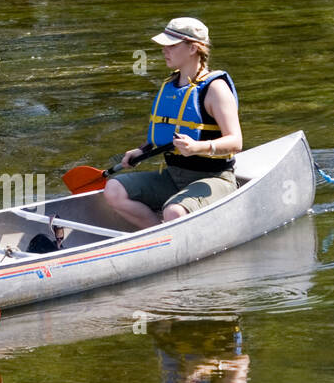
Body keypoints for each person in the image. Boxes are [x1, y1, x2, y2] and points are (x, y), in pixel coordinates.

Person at [104, 17, 242, 228]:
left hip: (215, 179)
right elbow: (167, 134)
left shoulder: (215, 89)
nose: (164, 50)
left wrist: (199, 147)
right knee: (113, 190)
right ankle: (158, 235)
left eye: (172, 45)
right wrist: (142, 150)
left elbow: (236, 142)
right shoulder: (171, 86)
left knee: (174, 212)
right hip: (172, 176)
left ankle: (172, 232)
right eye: (164, 45)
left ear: (193, 48)